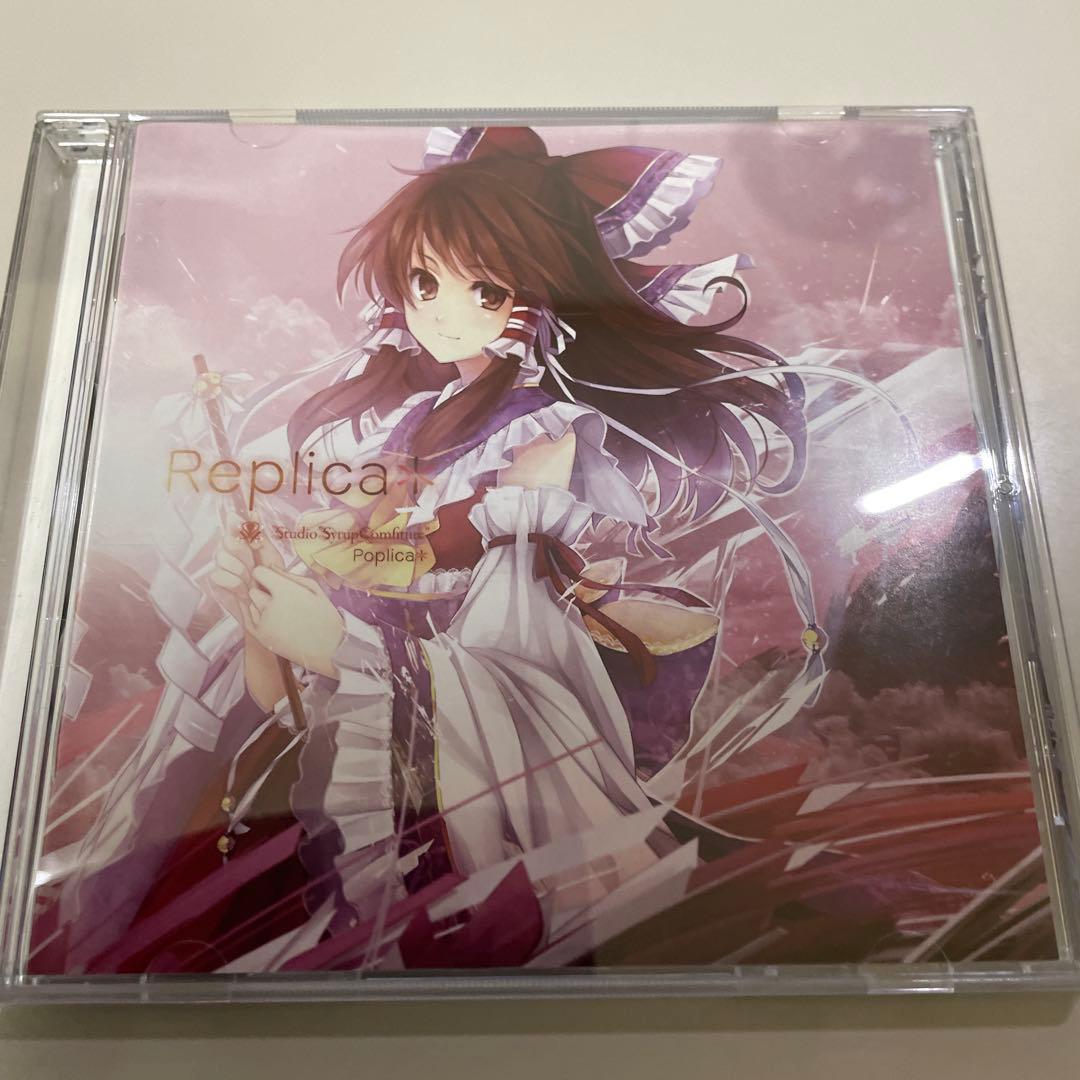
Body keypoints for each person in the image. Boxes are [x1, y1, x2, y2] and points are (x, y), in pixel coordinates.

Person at [42, 126, 822, 975]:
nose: (442, 311)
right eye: (423, 281)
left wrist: (334, 609)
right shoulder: (408, 420)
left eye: (482, 288)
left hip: (466, 725)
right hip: (349, 701)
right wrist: (266, 591)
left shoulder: (546, 437)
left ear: (540, 296)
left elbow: (461, 589)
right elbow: (343, 584)